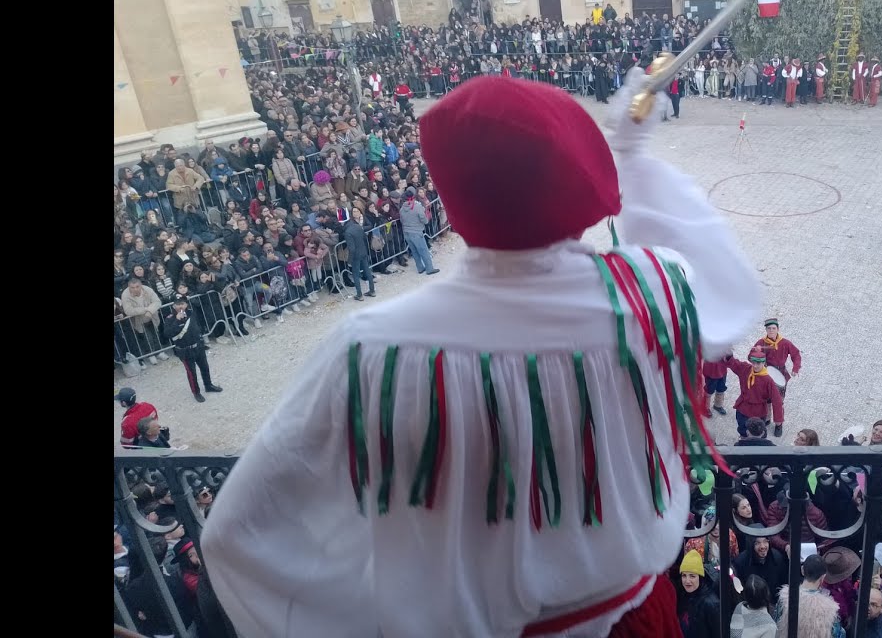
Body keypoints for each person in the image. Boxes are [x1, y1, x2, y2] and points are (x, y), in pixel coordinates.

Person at [202, 70, 761, 637]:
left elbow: (238, 533)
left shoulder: (371, 347)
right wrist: (633, 157)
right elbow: (726, 291)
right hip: (635, 621)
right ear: (576, 167)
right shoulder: (655, 292)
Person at [162, 296, 223, 403]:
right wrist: (177, 320)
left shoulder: (191, 313)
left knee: (205, 367)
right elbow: (167, 333)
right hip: (185, 350)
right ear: (174, 305)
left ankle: (208, 385)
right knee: (191, 373)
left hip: (198, 346)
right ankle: (196, 392)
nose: (181, 306)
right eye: (178, 304)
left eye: (183, 303)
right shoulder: (170, 318)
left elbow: (197, 326)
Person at [775, 554, 844, 638]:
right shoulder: (830, 608)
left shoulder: (785, 598)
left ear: (802, 570)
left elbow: (777, 625)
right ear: (823, 577)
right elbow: (838, 634)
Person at [756, 319, 801, 438]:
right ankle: (766, 418)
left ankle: (779, 424)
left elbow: (796, 354)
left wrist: (795, 368)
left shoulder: (785, 343)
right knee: (765, 399)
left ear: (778, 329)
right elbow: (751, 355)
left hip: (780, 374)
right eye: (769, 328)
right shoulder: (761, 342)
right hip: (765, 373)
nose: (771, 330)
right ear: (766, 330)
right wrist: (757, 355)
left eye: (773, 328)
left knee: (778, 401)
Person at [677, 549, 721, 638]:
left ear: (700, 577)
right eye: (684, 575)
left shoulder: (711, 603)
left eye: (692, 576)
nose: (687, 581)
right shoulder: (683, 595)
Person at [398, 187, 440, 275]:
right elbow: (424, 220)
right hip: (416, 232)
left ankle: (420, 268)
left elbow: (402, 220)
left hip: (406, 232)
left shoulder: (402, 208)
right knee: (424, 251)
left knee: (414, 251)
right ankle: (429, 268)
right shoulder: (417, 206)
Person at [343, 208, 376, 302]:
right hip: (363, 252)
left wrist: (349, 261)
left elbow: (351, 248)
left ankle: (359, 294)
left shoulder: (348, 232)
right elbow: (364, 239)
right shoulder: (358, 227)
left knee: (356, 275)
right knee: (368, 272)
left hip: (356, 256)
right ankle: (372, 290)